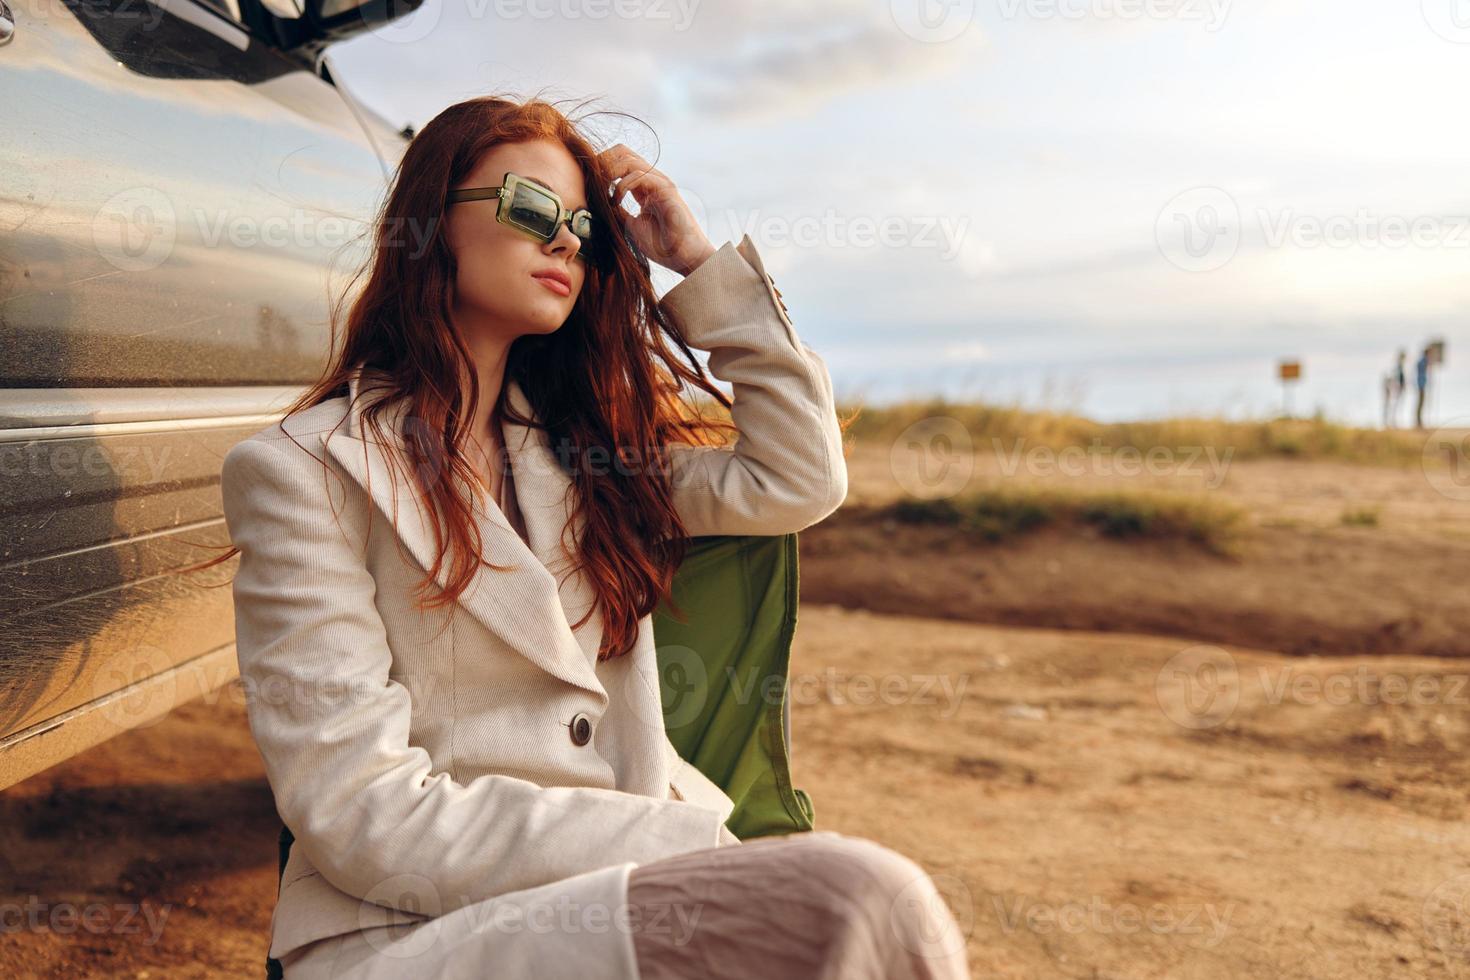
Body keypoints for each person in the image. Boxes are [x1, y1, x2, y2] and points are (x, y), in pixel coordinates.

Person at [207, 95, 970, 979]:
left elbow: (798, 477)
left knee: (866, 914)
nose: (566, 240)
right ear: (429, 227)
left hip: (631, 898)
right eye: (531, 210)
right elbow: (361, 812)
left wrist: (695, 261)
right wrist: (684, 847)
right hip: (408, 932)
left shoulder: (588, 465)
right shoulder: (302, 471)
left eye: (582, 225)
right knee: (856, 897)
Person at [1415, 346, 1431, 430]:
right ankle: (1418, 422)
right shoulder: (1423, 361)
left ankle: (1419, 421)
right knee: (1420, 404)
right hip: (1421, 385)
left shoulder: (1421, 361)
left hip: (1421, 384)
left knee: (1420, 403)